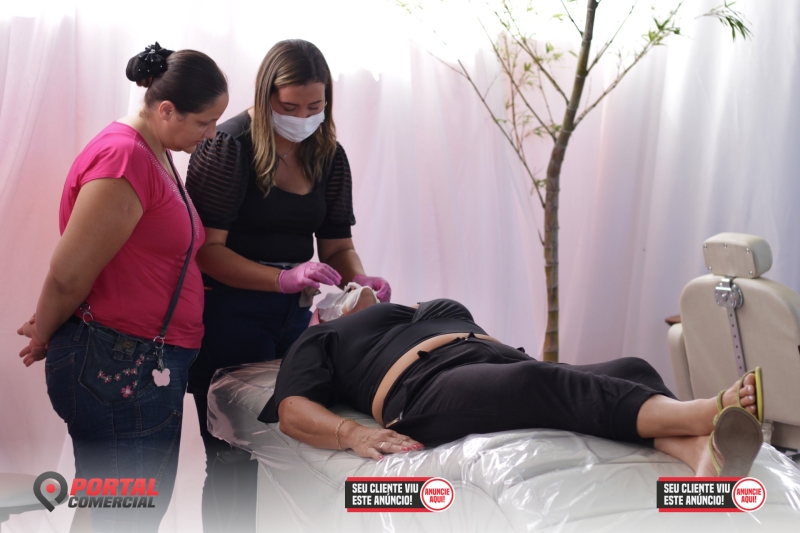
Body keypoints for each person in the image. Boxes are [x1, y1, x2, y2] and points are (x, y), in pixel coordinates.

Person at [16, 43, 228, 532]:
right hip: (118, 363)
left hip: (129, 360)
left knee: (111, 508)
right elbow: (69, 271)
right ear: (166, 110)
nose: (212, 134)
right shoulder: (125, 158)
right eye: (204, 122)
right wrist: (45, 329)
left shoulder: (153, 150)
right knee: (125, 515)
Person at [184, 39, 391, 531]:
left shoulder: (328, 154)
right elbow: (206, 251)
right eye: (290, 107)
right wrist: (281, 278)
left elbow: (336, 246)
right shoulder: (227, 146)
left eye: (315, 107)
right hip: (227, 316)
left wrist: (358, 278)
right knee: (232, 456)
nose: (303, 117)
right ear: (265, 96)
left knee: (292, 451)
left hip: (293, 320)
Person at [259, 298, 764, 478]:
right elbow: (292, 410)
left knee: (631, 366)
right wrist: (354, 434)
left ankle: (697, 452)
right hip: (425, 387)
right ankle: (702, 413)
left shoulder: (415, 306)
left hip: (496, 361)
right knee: (534, 381)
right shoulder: (322, 335)